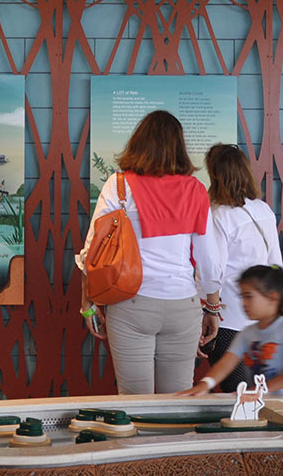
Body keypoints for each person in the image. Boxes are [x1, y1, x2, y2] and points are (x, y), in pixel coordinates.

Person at [75, 110, 222, 394]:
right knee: (177, 402)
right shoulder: (195, 190)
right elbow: (209, 261)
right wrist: (212, 309)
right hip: (183, 305)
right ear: (179, 147)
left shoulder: (119, 185)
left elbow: (92, 251)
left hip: (131, 303)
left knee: (135, 402)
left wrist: (87, 304)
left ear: (138, 143)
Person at [199, 143, 283, 392]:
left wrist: (207, 311)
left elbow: (212, 270)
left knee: (238, 395)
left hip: (227, 319)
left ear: (215, 175)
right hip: (260, 319)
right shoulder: (263, 209)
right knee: (256, 395)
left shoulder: (217, 214)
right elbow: (276, 265)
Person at [178, 265, 283, 396]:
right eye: (242, 297)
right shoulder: (247, 333)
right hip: (262, 402)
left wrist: (263, 389)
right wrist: (205, 384)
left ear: (272, 298)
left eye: (248, 297)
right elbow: (227, 362)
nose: (243, 303)